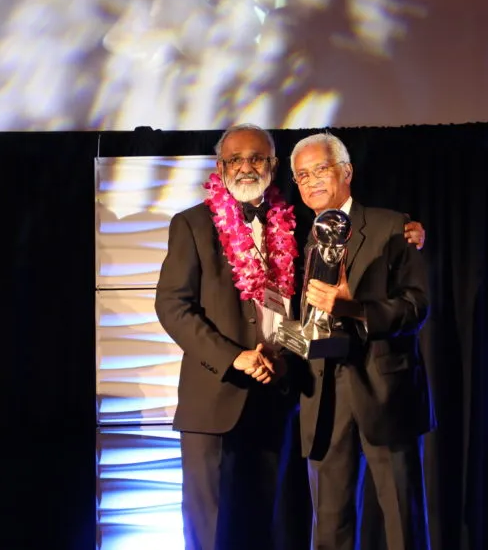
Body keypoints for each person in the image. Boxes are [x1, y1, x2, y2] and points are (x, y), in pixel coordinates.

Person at [154, 123, 425, 550]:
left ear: (272, 165)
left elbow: (313, 306)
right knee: (210, 529)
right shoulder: (192, 224)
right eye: (235, 160)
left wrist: (411, 233)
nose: (246, 167)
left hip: (280, 395)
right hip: (216, 397)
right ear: (220, 167)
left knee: (269, 525)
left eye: (257, 158)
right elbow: (172, 307)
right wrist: (233, 357)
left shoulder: (298, 224)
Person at [290, 131, 432, 550]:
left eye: (320, 169)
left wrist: (353, 308)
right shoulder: (299, 239)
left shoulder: (393, 227)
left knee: (403, 522)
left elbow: (416, 306)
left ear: (346, 171)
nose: (312, 181)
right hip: (322, 396)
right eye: (302, 175)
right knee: (329, 527)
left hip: (384, 390)